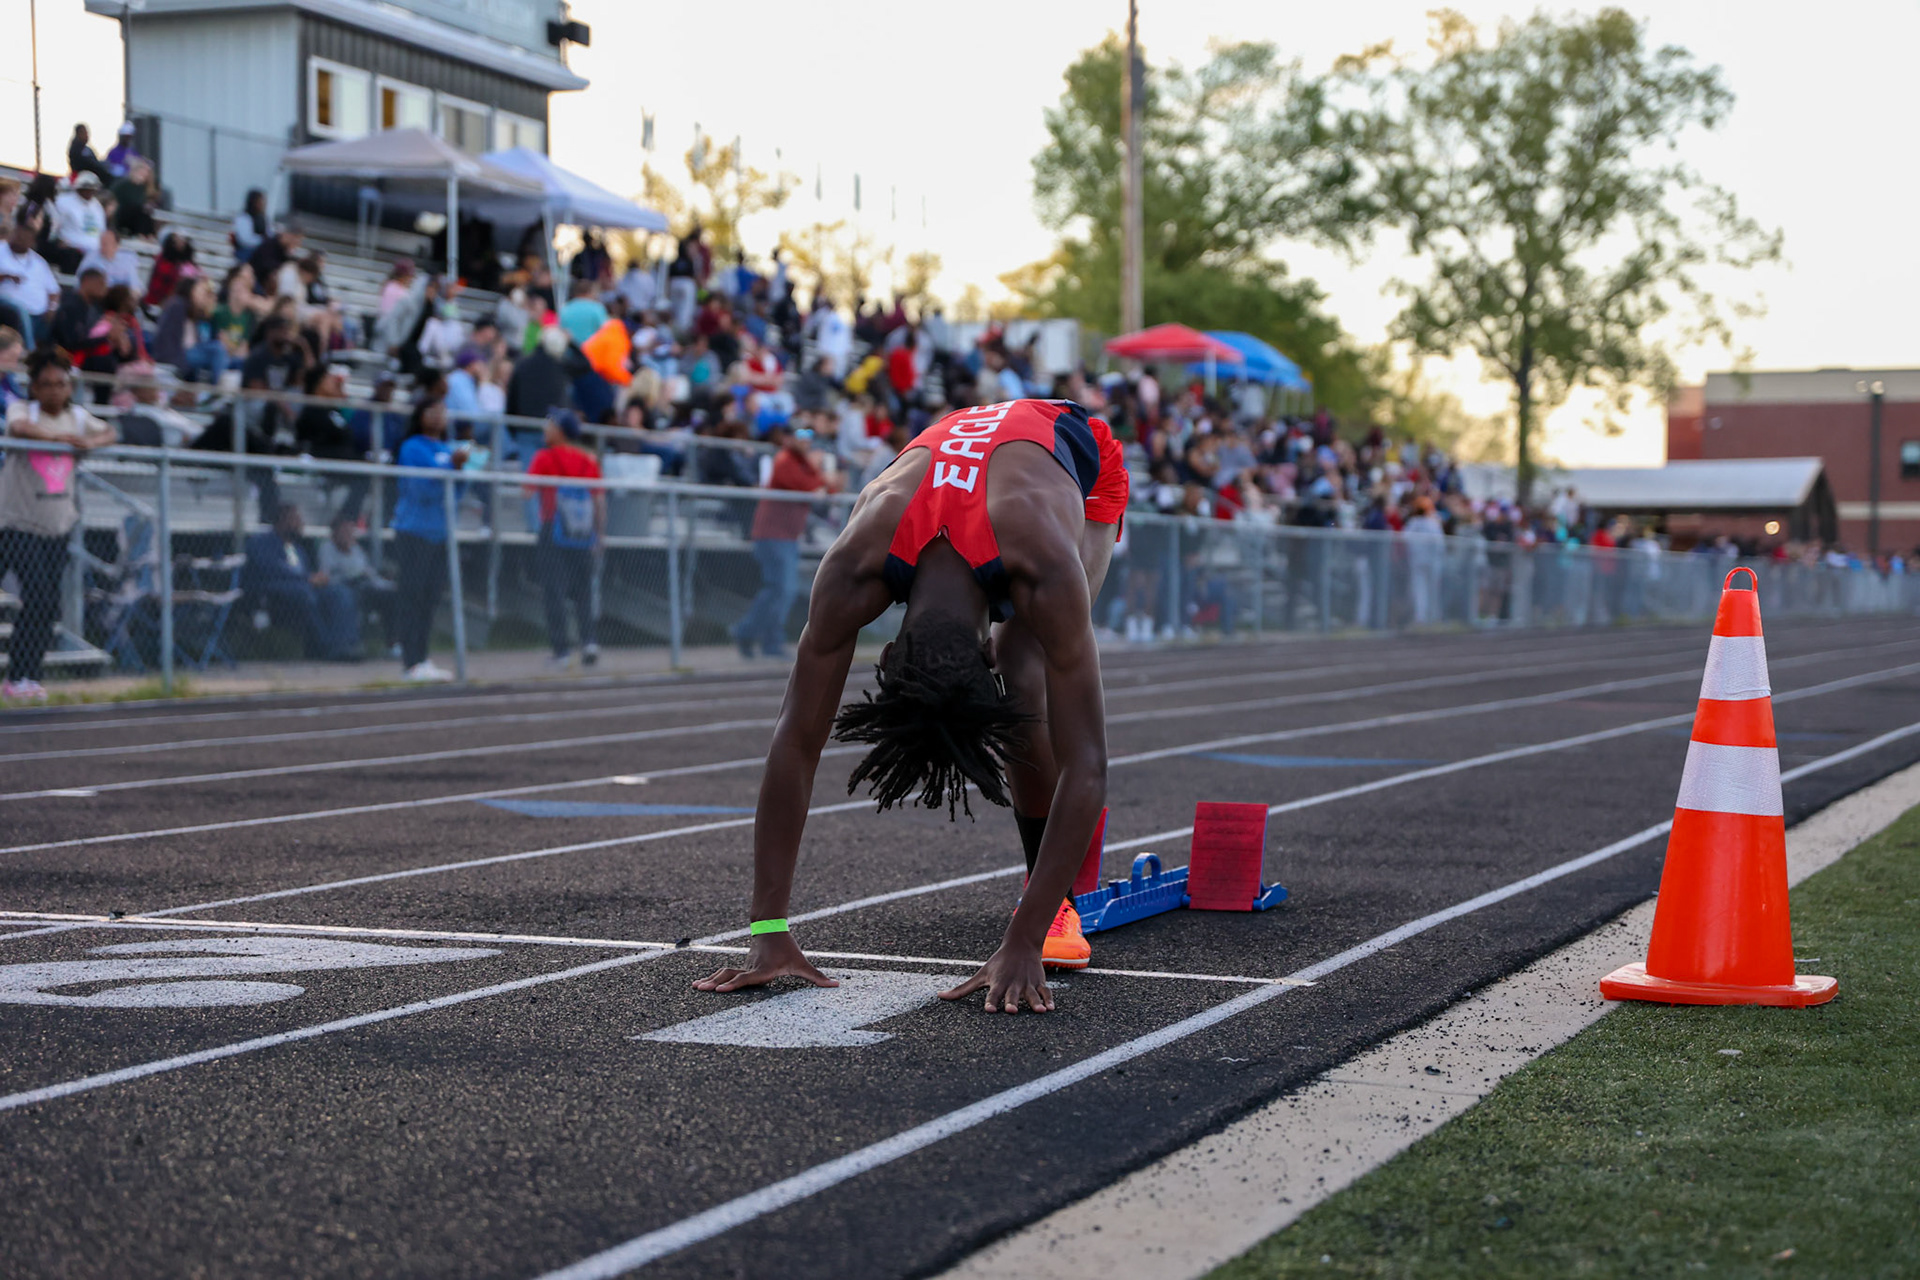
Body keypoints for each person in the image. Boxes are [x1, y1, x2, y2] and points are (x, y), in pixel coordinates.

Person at [694, 399, 1128, 1009]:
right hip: (991, 466)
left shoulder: (1044, 569)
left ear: (889, 651)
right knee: (1023, 679)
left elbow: (1090, 766)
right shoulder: (854, 564)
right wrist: (769, 932)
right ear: (891, 654)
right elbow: (794, 743)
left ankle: (1053, 908)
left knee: (1026, 679)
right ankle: (1044, 899)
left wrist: (1024, 942)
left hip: (1081, 451)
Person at [1, 350, 118, 702]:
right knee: (35, 592)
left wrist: (89, 442)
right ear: (34, 388)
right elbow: (18, 427)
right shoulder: (25, 411)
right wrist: (57, 440)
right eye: (46, 385)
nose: (54, 391)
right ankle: (20, 675)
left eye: (60, 384)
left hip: (58, 525)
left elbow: (110, 432)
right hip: (16, 523)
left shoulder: (79, 418)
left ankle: (25, 676)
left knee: (46, 603)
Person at [731, 422, 838, 659]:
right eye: (800, 435)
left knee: (779, 589)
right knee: (783, 588)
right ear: (789, 438)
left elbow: (828, 489)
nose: (806, 440)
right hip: (772, 536)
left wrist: (818, 475)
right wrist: (818, 473)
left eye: (809, 435)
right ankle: (752, 634)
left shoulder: (802, 463)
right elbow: (810, 487)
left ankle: (758, 637)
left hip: (786, 536)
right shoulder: (785, 460)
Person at [389, 398, 463, 682]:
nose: (438, 416)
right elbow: (422, 489)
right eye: (432, 410)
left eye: (442, 411)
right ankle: (411, 661)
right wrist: (450, 470)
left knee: (430, 598)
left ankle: (422, 658)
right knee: (413, 595)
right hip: (414, 531)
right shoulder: (412, 447)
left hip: (439, 533)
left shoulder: (445, 449)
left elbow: (453, 493)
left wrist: (458, 470)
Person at [525, 409, 605, 668]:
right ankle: (589, 641)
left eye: (549, 426)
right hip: (582, 532)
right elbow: (599, 500)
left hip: (553, 528)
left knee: (554, 591)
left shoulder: (544, 457)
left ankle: (561, 651)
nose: (545, 430)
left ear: (560, 431)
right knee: (583, 591)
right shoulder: (588, 460)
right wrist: (599, 535)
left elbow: (526, 492)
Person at [242, 504, 361, 660]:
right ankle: (326, 647)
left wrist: (315, 578)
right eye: (296, 519)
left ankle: (346, 644)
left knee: (339, 593)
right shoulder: (261, 543)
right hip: (274, 593)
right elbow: (271, 570)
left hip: (303, 588)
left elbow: (304, 573)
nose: (300, 524)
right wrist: (306, 579)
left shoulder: (297, 549)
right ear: (282, 521)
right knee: (304, 595)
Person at [318, 514, 399, 654]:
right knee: (351, 597)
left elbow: (368, 573)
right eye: (344, 531)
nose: (348, 535)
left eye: (350, 531)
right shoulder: (327, 548)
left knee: (392, 596)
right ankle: (351, 644)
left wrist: (386, 584)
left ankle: (392, 645)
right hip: (344, 587)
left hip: (366, 587)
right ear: (335, 532)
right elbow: (327, 575)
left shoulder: (356, 549)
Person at [0, 206, 60, 348]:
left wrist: (52, 307)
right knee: (20, 310)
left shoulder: (39, 261)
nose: (19, 239)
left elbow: (54, 291)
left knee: (62, 314)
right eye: (18, 235)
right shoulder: (1, 250)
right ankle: (29, 351)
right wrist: (5, 276)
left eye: (25, 238)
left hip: (39, 314)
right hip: (8, 308)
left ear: (32, 242)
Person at [110, 158, 158, 240]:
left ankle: (148, 235)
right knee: (139, 210)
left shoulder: (142, 188)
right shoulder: (123, 184)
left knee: (145, 212)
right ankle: (143, 234)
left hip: (135, 216)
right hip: (122, 212)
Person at [231, 189, 268, 260]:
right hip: (246, 250)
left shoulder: (263, 217)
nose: (262, 204)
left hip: (261, 249)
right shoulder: (243, 218)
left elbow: (269, 233)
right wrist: (263, 241)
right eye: (259, 202)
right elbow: (246, 240)